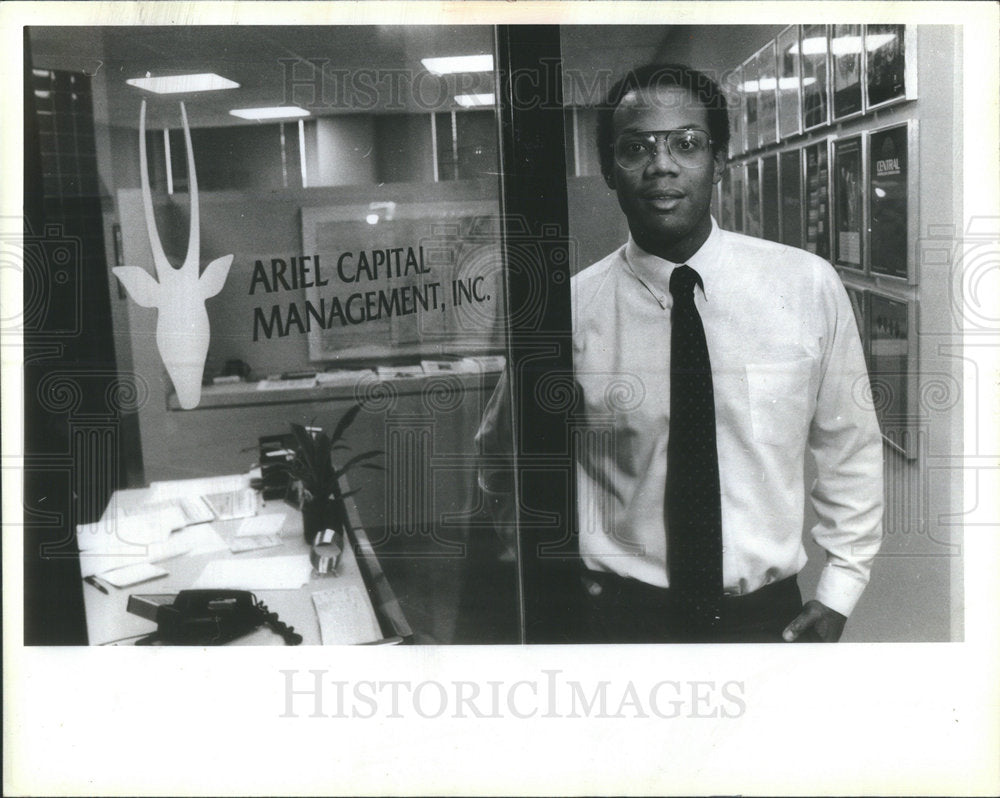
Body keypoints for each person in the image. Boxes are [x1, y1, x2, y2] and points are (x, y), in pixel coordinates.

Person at [477, 63, 883, 643]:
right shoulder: (565, 312)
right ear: (608, 170)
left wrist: (841, 589)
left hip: (766, 621)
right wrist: (546, 577)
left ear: (720, 160)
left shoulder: (805, 285)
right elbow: (501, 459)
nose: (661, 165)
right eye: (635, 147)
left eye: (687, 144)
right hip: (619, 622)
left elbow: (852, 448)